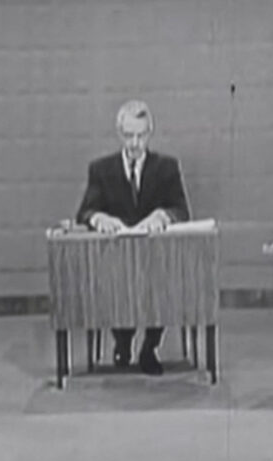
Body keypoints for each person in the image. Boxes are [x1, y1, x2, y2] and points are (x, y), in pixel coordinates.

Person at [76, 100, 190, 375]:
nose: (135, 143)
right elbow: (84, 211)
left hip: (155, 257)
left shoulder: (167, 167)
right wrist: (99, 219)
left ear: (150, 133)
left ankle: (149, 349)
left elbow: (182, 211)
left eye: (140, 135)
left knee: (160, 284)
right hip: (116, 258)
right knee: (116, 283)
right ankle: (123, 343)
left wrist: (162, 216)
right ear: (119, 134)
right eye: (129, 136)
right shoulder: (101, 169)